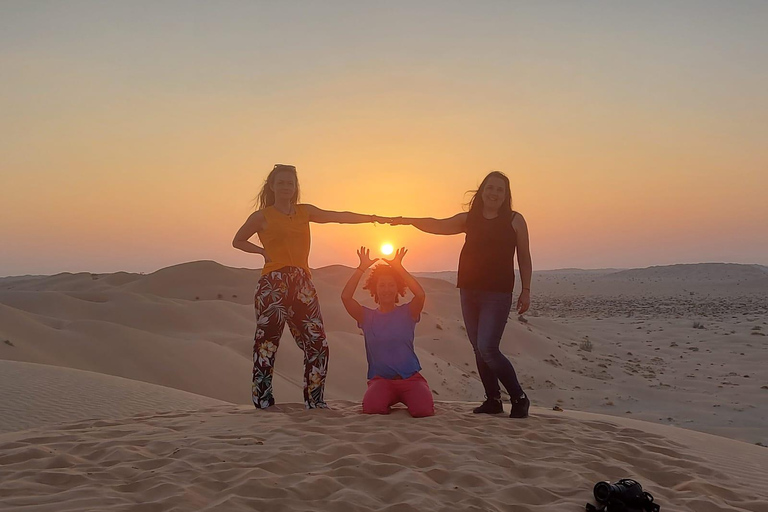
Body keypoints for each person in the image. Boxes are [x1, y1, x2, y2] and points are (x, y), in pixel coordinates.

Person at [233, 163, 383, 409]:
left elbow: (338, 216)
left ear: (295, 187)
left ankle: (315, 400)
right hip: (273, 284)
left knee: (318, 344)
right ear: (272, 186)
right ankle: (263, 402)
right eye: (280, 182)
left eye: (290, 183)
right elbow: (237, 240)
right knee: (267, 344)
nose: (285, 187)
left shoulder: (304, 212)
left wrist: (371, 218)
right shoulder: (262, 216)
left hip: (303, 284)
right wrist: (262, 251)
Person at [390, 171, 532, 418]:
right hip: (469, 289)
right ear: (482, 191)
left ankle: (519, 397)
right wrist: (407, 221)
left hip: (497, 293)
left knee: (488, 348)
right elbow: (438, 224)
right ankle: (493, 399)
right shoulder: (470, 219)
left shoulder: (515, 220)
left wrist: (526, 290)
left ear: (506, 194)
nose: (494, 193)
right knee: (478, 348)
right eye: (490, 188)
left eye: (500, 189)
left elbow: (524, 256)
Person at [340, 246, 434, 418]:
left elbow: (420, 295)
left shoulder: (408, 312)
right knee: (372, 408)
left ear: (397, 288)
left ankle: (413, 395)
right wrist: (362, 268)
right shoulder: (366, 317)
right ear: (374, 289)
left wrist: (398, 267)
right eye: (382, 285)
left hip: (410, 379)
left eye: (391, 285)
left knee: (423, 410)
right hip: (382, 380)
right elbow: (346, 297)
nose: (386, 289)